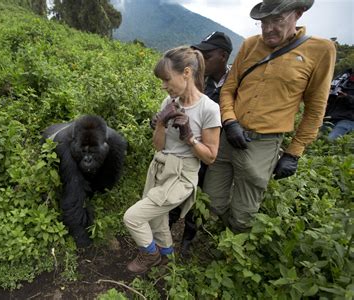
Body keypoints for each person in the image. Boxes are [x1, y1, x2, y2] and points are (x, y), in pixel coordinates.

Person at [203, 0, 336, 233]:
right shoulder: (250, 45)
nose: (268, 29)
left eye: (277, 20)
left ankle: (232, 251)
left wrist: (294, 153)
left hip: (263, 143)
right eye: (264, 22)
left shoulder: (321, 50)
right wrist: (230, 120)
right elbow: (228, 88)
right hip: (228, 135)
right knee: (211, 199)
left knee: (244, 210)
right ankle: (216, 236)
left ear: (298, 13)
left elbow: (315, 108)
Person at [124, 46, 221, 274]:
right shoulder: (169, 102)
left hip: (182, 174)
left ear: (186, 73)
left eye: (167, 80)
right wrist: (160, 123)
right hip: (159, 166)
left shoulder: (209, 108)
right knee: (158, 221)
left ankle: (150, 255)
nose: (164, 86)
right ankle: (167, 260)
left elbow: (211, 157)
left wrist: (189, 137)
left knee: (133, 217)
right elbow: (158, 145)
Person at [167, 31, 233, 255]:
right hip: (189, 148)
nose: (200, 58)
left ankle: (187, 238)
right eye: (199, 53)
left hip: (212, 151)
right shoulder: (198, 81)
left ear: (223, 56)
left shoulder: (234, 84)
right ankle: (167, 227)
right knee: (177, 189)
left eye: (207, 54)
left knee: (201, 194)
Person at [322, 68, 354, 141]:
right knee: (313, 137)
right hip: (331, 116)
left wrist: (346, 97)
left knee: (330, 140)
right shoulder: (343, 77)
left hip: (348, 119)